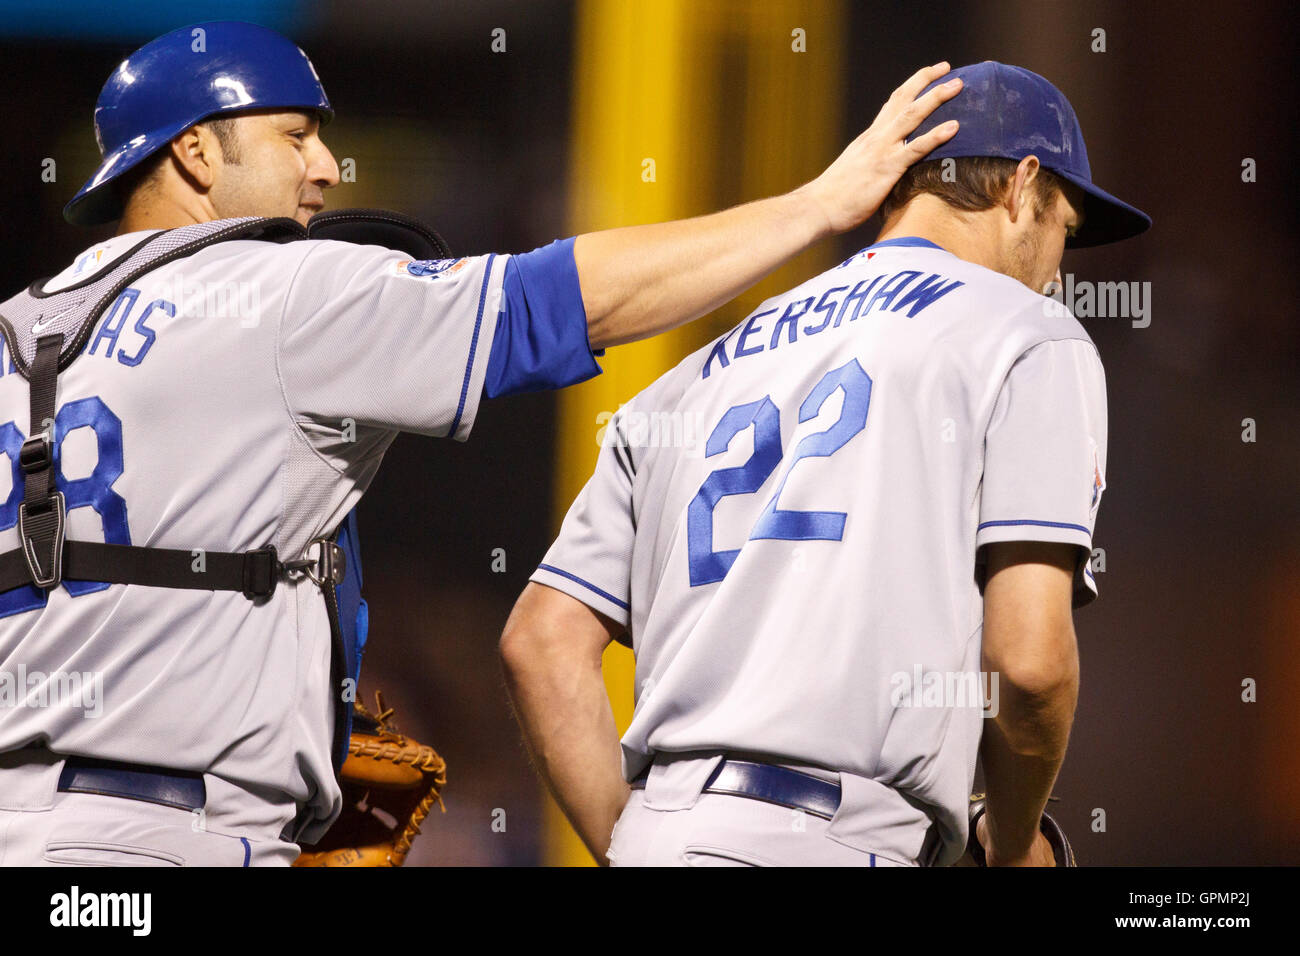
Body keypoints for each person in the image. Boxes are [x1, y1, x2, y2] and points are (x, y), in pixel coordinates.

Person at [0, 19, 962, 866]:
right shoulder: (276, 292)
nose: (328, 167)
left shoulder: (14, 334)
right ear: (199, 153)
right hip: (166, 838)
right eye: (295, 135)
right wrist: (818, 207)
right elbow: (561, 303)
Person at [500, 60, 1151, 867]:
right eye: (1066, 228)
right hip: (844, 838)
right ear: (1022, 186)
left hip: (663, 829)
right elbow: (1029, 661)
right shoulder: (1024, 334)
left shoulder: (689, 377)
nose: (1059, 264)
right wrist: (1014, 848)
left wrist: (638, 843)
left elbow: (542, 638)